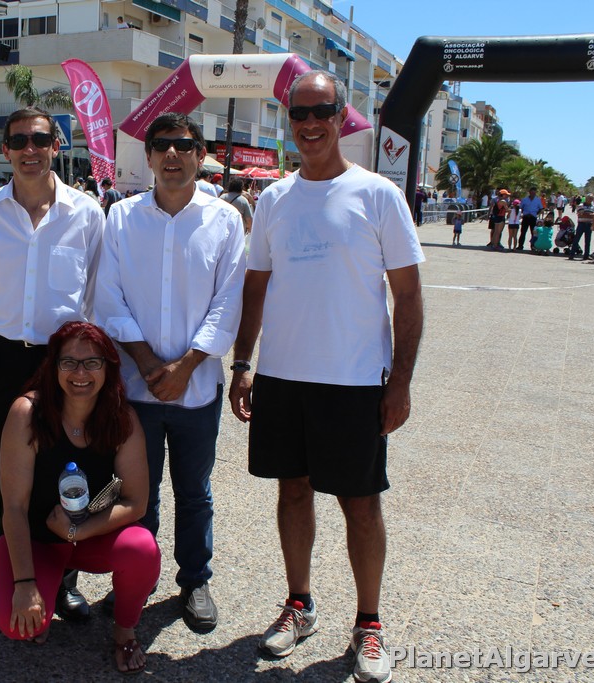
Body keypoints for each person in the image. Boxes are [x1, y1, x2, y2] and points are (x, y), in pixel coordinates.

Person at [228, 70, 424, 683]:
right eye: (299, 113)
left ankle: (369, 622)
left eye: (322, 111)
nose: (310, 123)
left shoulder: (378, 195)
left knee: (360, 505)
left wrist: (400, 383)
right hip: (284, 378)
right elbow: (255, 291)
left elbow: (408, 297)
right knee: (292, 492)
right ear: (289, 120)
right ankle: (300, 603)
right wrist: (242, 364)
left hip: (354, 381)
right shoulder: (274, 200)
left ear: (342, 117)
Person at [96, 112, 246, 632]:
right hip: (134, 389)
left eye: (183, 145)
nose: (172, 155)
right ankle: (138, 575)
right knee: (136, 491)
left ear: (201, 155)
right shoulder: (122, 217)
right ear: (149, 156)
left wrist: (186, 366)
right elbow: (107, 296)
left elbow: (228, 303)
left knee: (194, 491)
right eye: (161, 145)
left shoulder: (224, 220)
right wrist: (146, 363)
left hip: (197, 389)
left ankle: (195, 579)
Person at [0, 106, 105, 624]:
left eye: (40, 139)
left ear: (56, 146)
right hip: (1, 356)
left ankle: (64, 580)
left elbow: (93, 289)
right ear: (5, 151)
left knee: (67, 466)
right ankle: (0, 573)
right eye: (19, 141)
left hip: (62, 361)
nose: (30, 150)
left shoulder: (86, 213)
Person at [0, 321, 159, 674]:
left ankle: (125, 632)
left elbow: (136, 502)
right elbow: (14, 507)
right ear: (53, 367)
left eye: (92, 362)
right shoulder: (26, 414)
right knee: (17, 626)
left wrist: (78, 531)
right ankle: (45, 591)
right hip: (37, 539)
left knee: (142, 548)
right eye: (68, 362)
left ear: (108, 368)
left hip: (89, 536)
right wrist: (25, 584)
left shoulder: (122, 418)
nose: (80, 373)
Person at [570, 194, 594, 260]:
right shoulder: (581, 205)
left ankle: (586, 255)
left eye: (592, 199)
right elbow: (580, 214)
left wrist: (586, 214)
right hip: (581, 224)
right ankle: (572, 255)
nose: (590, 200)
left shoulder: (593, 206)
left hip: (589, 224)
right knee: (576, 239)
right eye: (589, 198)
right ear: (586, 198)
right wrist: (590, 215)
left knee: (588, 241)